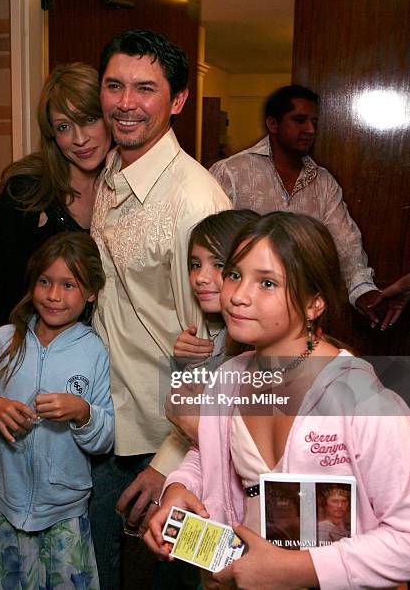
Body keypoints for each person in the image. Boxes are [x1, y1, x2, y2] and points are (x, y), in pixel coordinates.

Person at [145, 212, 410, 589]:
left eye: (267, 282)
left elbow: (405, 539)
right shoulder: (230, 378)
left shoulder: (363, 403)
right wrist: (178, 488)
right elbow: (214, 450)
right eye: (234, 274)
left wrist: (291, 569)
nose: (237, 295)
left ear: (313, 304)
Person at [90, 29, 231, 588]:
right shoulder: (113, 169)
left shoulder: (195, 201)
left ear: (176, 101)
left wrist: (170, 461)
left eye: (145, 89)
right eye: (114, 85)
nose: (125, 103)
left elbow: (221, 351)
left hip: (162, 439)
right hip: (105, 415)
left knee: (169, 578)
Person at [0, 232, 114, 589]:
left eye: (69, 285)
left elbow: (105, 439)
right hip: (6, 503)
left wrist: (82, 412)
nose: (53, 295)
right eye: (45, 281)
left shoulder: (95, 351)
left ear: (91, 292)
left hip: (64, 511)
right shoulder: (4, 340)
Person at [209, 85, 383, 327]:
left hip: (303, 317)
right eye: (299, 120)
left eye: (314, 122)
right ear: (273, 124)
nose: (310, 129)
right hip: (241, 312)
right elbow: (210, 244)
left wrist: (362, 290)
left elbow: (347, 245)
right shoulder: (232, 172)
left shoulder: (322, 182)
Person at [0, 62, 111, 351]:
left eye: (89, 119)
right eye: (64, 127)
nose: (80, 139)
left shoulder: (124, 190)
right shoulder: (26, 193)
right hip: (27, 355)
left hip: (98, 359)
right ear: (52, 136)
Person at [167, 209, 259, 444]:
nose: (200, 277)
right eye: (195, 264)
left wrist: (189, 420)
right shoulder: (223, 337)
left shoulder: (261, 349)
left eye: (218, 264)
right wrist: (189, 364)